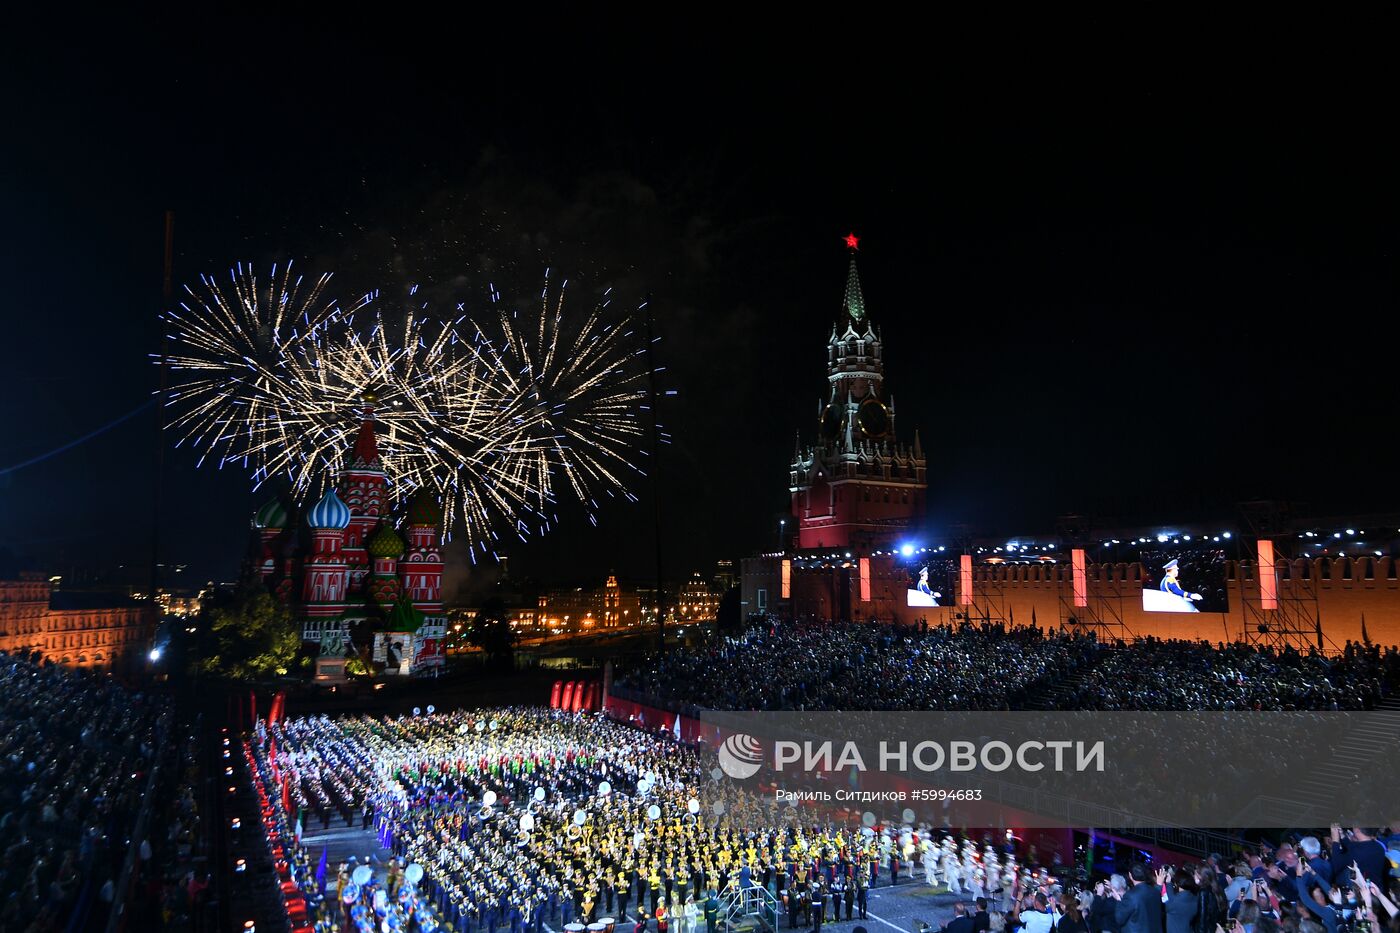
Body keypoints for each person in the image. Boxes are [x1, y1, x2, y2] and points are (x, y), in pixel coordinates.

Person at [1112, 865, 1164, 933]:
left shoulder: (1130, 895)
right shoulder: (1155, 891)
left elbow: (1119, 919)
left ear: (1130, 875)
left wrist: (1118, 900)